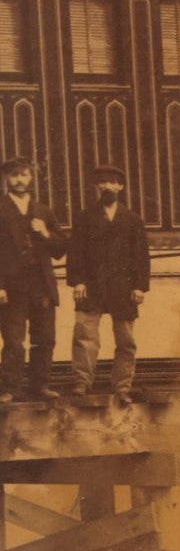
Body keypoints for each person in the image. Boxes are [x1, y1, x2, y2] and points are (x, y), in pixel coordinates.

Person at [66, 165, 150, 404]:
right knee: (85, 335)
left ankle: (122, 386)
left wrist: (140, 287)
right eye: (102, 182)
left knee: (126, 339)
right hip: (91, 286)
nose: (107, 186)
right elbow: (75, 252)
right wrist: (78, 281)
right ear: (97, 187)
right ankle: (82, 382)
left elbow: (141, 256)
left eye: (113, 182)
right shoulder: (84, 217)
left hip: (123, 288)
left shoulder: (133, 219)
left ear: (121, 187)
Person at [0, 156, 68, 402]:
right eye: (14, 175)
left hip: (41, 287)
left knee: (45, 338)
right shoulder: (1, 209)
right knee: (14, 341)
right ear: (6, 178)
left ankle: (39, 385)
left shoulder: (43, 211)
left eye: (24, 174)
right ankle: (10, 389)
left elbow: (60, 249)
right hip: (12, 287)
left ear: (31, 177)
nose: (19, 180)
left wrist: (45, 232)